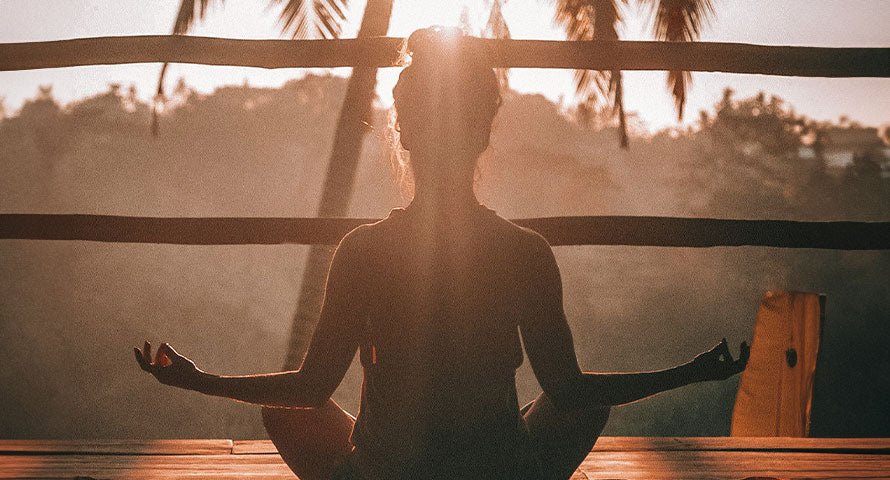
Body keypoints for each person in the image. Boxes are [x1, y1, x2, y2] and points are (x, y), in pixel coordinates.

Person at [134, 27, 749, 480]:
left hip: (387, 471)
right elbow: (569, 391)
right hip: (495, 471)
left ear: (402, 132)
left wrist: (198, 380)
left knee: (285, 413)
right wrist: (689, 372)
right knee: (581, 406)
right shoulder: (524, 252)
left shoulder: (363, 251)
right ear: (483, 133)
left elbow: (310, 387)